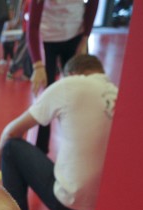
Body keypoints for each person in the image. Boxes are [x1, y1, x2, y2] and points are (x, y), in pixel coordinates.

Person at [0, 54, 117, 210]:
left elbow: (12, 131)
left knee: (12, 147)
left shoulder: (70, 84)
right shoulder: (118, 93)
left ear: (71, 73)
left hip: (70, 204)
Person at [27, 0, 99, 152]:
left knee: (76, 94)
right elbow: (32, 26)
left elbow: (93, 4)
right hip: (47, 39)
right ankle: (40, 149)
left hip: (75, 37)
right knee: (46, 93)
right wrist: (38, 65)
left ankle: (75, 145)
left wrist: (85, 38)